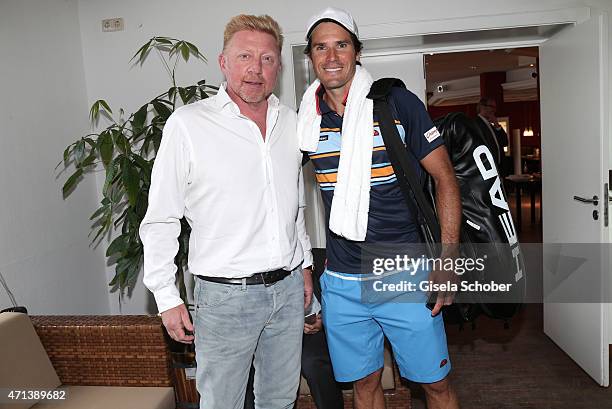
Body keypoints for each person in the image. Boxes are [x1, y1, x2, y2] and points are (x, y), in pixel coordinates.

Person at [140, 14, 313, 409]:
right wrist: (166, 296)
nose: (256, 68)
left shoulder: (292, 123)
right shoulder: (188, 125)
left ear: (279, 67)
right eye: (244, 56)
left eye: (267, 58)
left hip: (287, 293)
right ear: (223, 62)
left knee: (280, 401)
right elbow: (161, 217)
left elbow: (293, 203)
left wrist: (303, 263)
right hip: (224, 299)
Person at [297, 7, 461, 409]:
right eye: (321, 47)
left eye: (341, 45)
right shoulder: (304, 120)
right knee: (364, 385)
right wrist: (301, 270)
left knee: (434, 385)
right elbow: (281, 199)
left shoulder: (396, 104)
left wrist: (448, 260)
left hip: (404, 275)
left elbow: (445, 180)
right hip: (341, 281)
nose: (331, 56)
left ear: (357, 52)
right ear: (311, 57)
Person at [244, 249, 344, 409]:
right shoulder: (245, 269)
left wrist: (323, 320)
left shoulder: (317, 259)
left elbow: (342, 303)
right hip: (264, 334)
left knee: (312, 361)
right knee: (246, 365)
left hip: (313, 332)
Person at [475, 96, 509, 173]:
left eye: (495, 107)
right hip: (487, 169)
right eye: (491, 106)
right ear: (482, 107)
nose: (494, 110)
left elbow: (505, 142)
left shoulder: (491, 126)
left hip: (499, 168)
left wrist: (497, 125)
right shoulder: (476, 124)